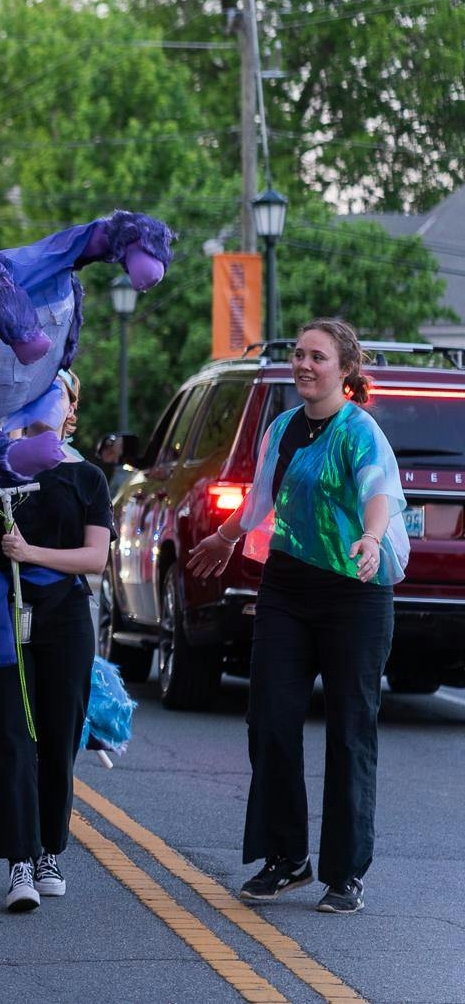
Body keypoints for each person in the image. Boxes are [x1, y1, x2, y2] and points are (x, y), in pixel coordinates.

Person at [189, 319, 405, 915]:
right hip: (286, 588)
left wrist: (370, 536)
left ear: (345, 369)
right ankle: (286, 859)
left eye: (317, 356)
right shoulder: (282, 427)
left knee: (350, 728)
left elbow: (377, 490)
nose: (304, 364)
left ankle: (345, 873)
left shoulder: (360, 432)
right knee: (271, 719)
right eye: (298, 354)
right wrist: (228, 538)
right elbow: (263, 498)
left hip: (354, 594)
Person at [0, 422, 111, 913]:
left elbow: (96, 558)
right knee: (9, 734)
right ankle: (19, 860)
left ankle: (49, 852)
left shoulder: (87, 476)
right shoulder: (0, 467)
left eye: (57, 391)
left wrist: (31, 553)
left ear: (72, 413)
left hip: (64, 614)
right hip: (5, 613)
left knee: (58, 737)